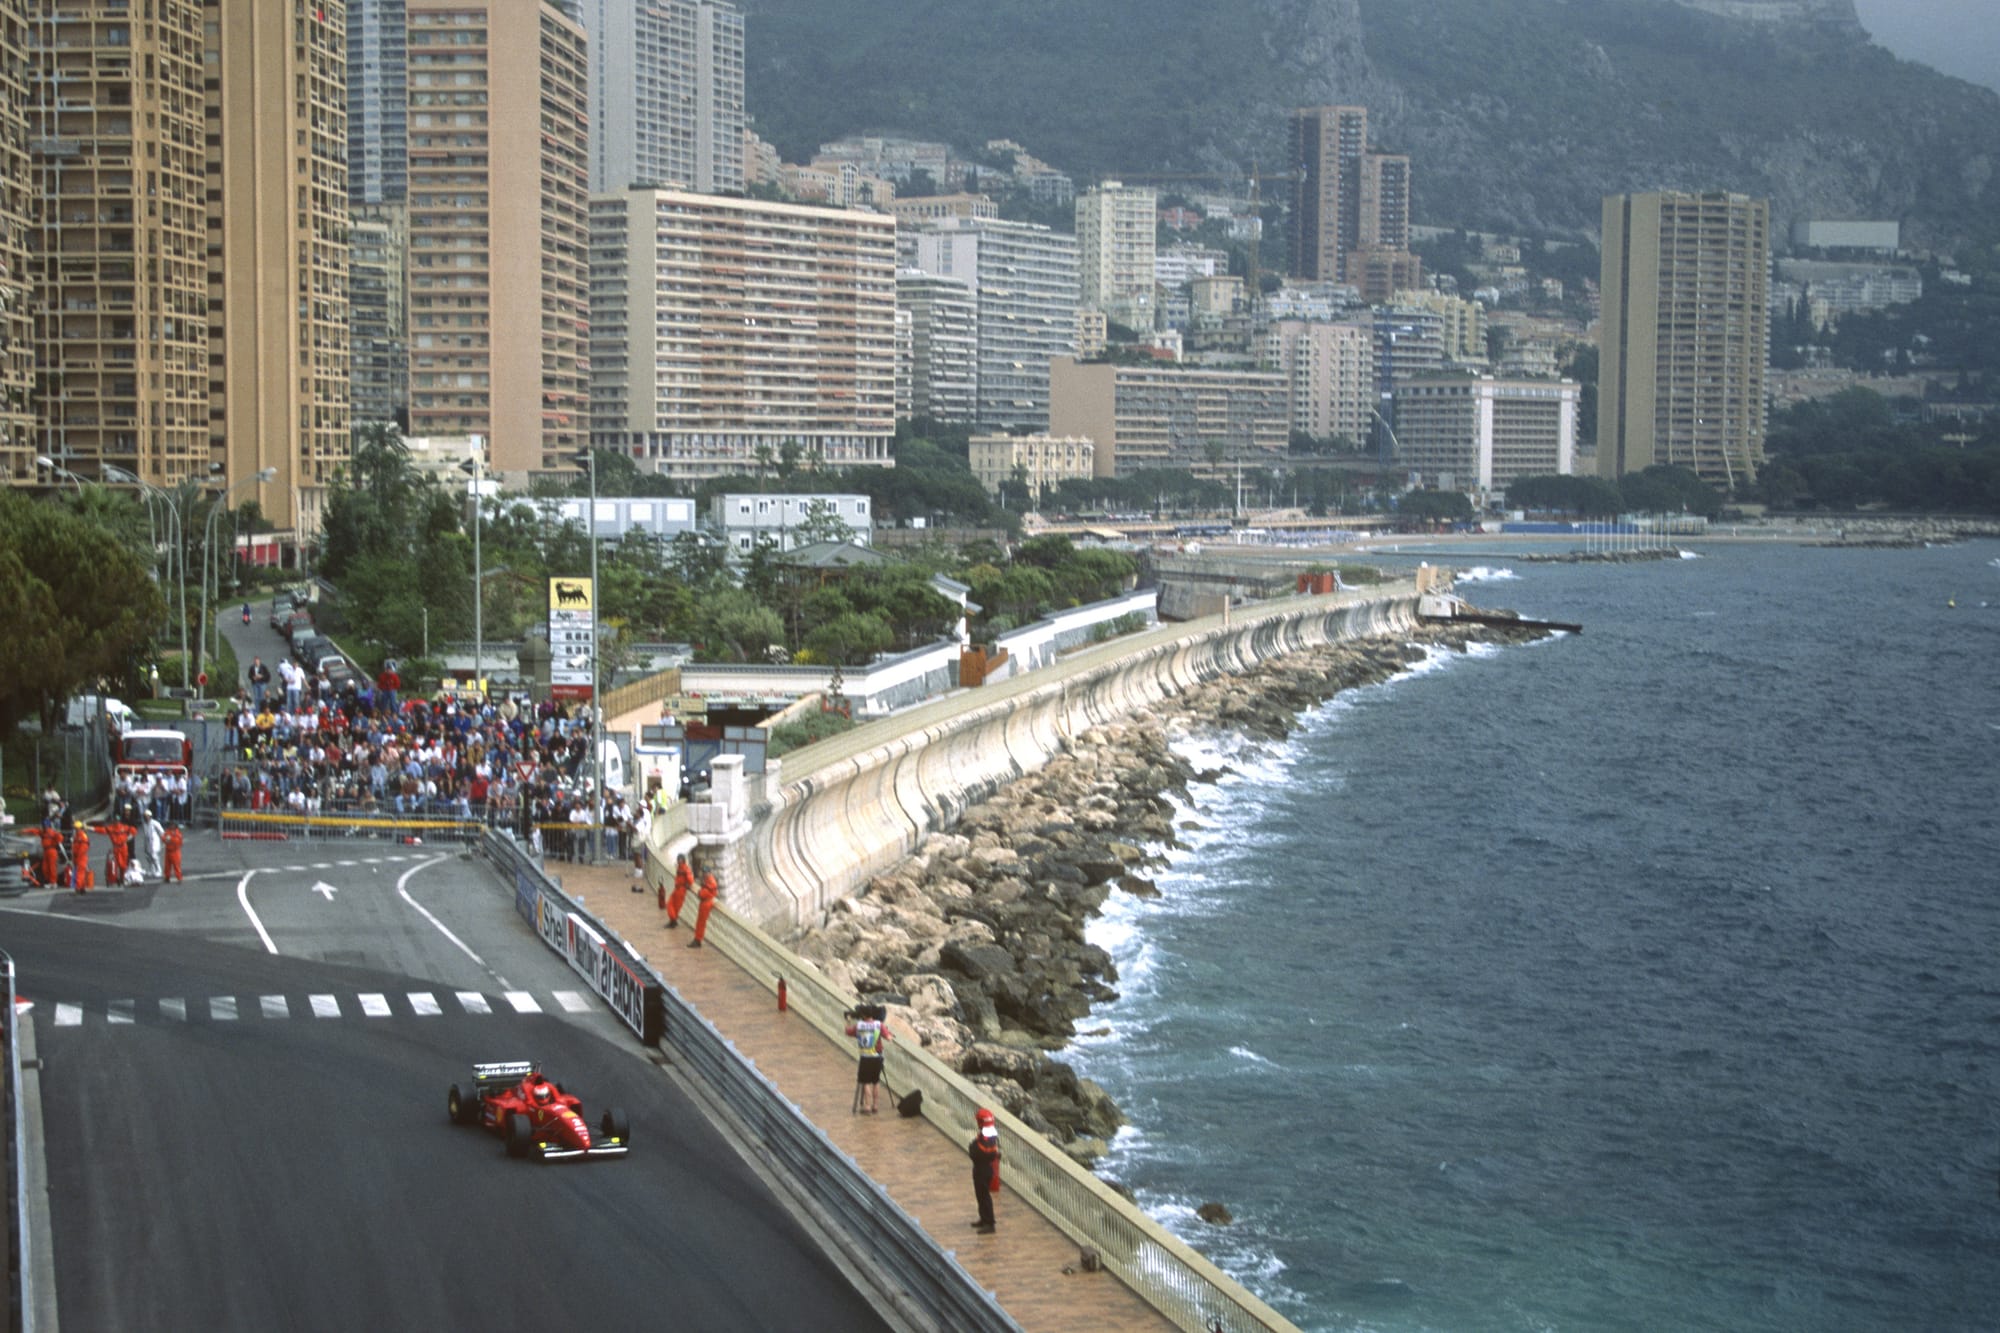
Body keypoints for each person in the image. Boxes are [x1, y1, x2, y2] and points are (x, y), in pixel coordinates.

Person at [845, 1004, 889, 1114]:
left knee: (865, 1082)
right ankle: (875, 1105)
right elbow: (888, 1038)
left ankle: (867, 1106)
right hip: (877, 1057)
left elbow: (848, 1031)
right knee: (875, 1081)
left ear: (863, 1015)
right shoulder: (879, 1025)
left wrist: (848, 1021)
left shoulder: (859, 1026)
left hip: (865, 1058)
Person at [968, 1108, 1002, 1233]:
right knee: (980, 1194)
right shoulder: (987, 1133)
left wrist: (972, 1147)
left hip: (983, 1168)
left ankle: (989, 1222)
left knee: (984, 1195)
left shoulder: (987, 1136)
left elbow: (982, 1150)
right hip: (980, 1167)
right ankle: (983, 1218)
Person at [688, 870, 718, 948]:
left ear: (708, 873)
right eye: (704, 873)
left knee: (701, 923)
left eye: (705, 873)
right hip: (706, 903)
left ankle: (698, 940)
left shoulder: (710, 882)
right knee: (700, 922)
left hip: (706, 904)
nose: (704, 874)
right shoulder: (709, 880)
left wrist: (700, 892)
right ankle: (697, 939)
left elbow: (704, 893)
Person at [666, 853, 693, 926]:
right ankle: (673, 920)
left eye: (680, 859)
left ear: (683, 860)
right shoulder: (680, 867)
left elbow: (690, 879)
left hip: (681, 890)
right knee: (670, 904)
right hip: (677, 889)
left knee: (675, 906)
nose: (679, 861)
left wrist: (687, 885)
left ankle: (673, 921)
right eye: (678, 859)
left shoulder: (685, 869)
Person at [69, 825, 93, 892]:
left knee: (80, 873)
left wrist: (78, 857)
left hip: (81, 857)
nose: (75, 830)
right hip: (77, 857)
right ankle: (82, 887)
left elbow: (83, 849)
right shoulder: (77, 836)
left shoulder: (82, 836)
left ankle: (78, 887)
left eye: (76, 828)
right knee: (79, 872)